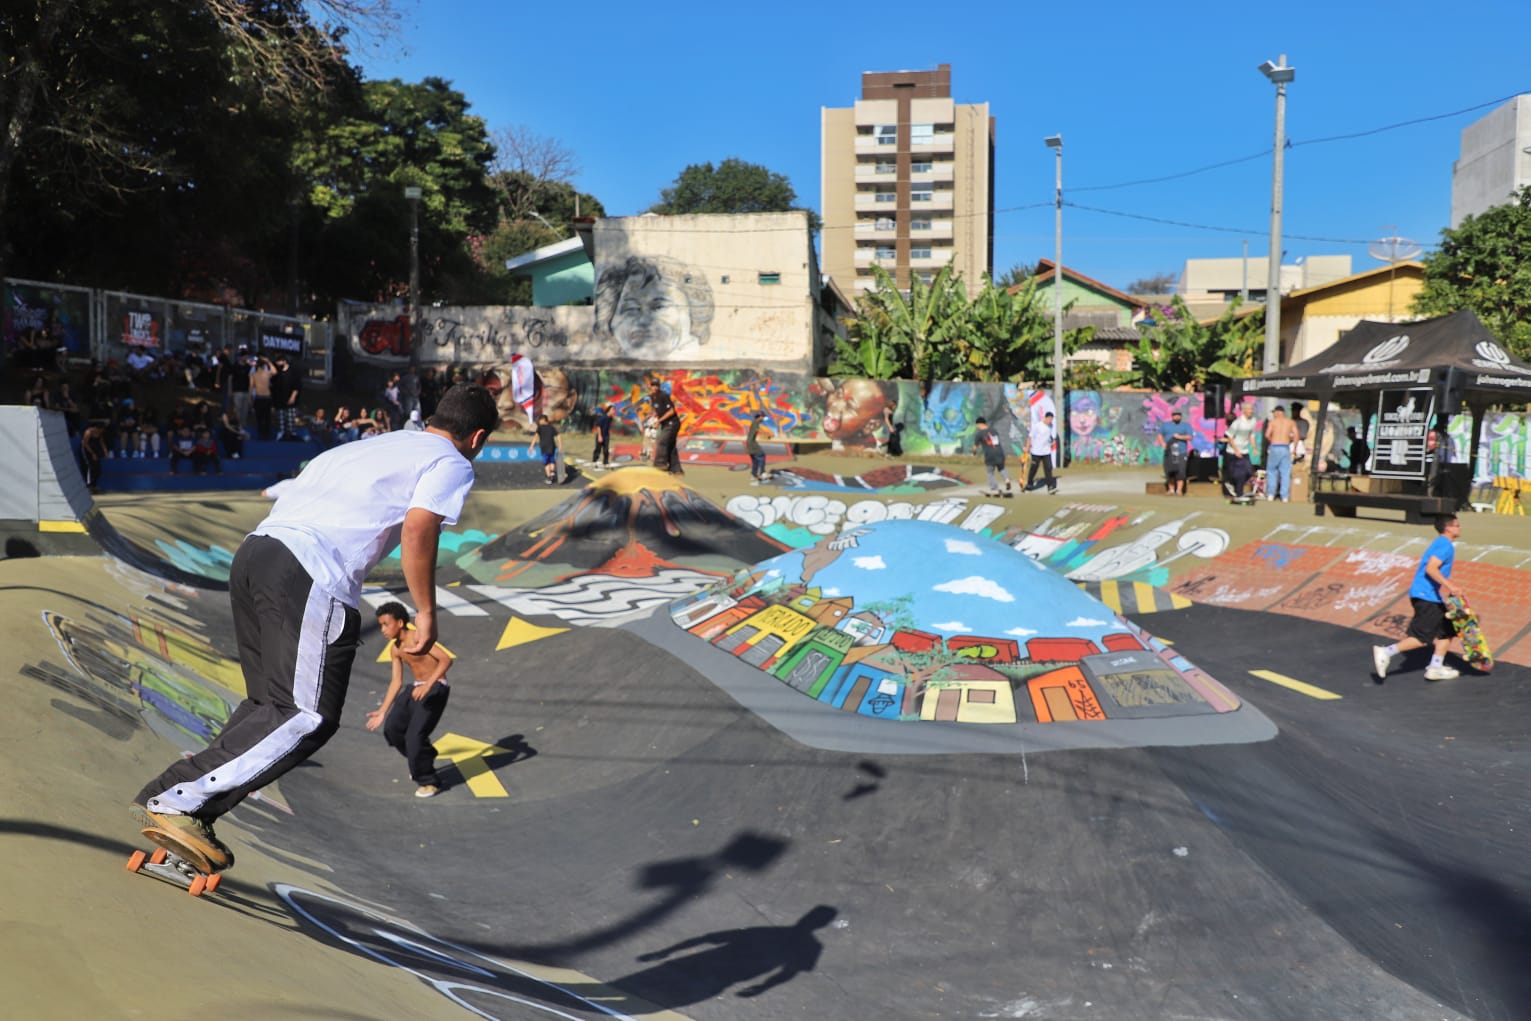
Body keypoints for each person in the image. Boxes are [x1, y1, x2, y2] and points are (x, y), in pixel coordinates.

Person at [130, 384, 499, 871]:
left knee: (266, 706)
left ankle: (190, 811)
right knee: (306, 714)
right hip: (308, 573)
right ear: (475, 437)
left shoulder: (370, 445)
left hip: (255, 553)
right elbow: (419, 527)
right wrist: (425, 612)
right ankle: (178, 798)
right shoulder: (451, 460)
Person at [364, 601, 453, 798]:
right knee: (392, 729)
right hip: (416, 688)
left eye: (386, 624)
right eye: (380, 625)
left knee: (414, 737)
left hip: (436, 687)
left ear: (401, 622)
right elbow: (396, 682)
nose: (383, 630)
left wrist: (429, 685)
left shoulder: (418, 638)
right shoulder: (395, 649)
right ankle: (423, 756)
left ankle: (429, 781)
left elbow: (446, 660)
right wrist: (382, 711)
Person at [1373, 515, 1465, 682]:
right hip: (1426, 595)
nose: (1459, 528)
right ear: (1448, 528)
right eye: (1457, 525)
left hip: (1430, 596)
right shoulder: (1445, 545)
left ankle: (1435, 668)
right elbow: (1431, 569)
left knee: (1447, 631)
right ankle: (1386, 652)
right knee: (1422, 638)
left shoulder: (1441, 543)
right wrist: (1451, 586)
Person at [1263, 405, 1298, 502]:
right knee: (1285, 472)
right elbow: (1296, 435)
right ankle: (1285, 496)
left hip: (1275, 446)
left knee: (1271, 471)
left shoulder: (1273, 422)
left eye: (1274, 412)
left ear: (1278, 412)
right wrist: (1294, 448)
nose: (1274, 414)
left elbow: (1267, 435)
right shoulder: (1291, 422)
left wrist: (1272, 441)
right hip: (1285, 447)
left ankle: (1271, 494)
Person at [972, 416, 1013, 497]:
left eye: (977, 425)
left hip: (990, 454)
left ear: (979, 424)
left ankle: (994, 489)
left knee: (990, 472)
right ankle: (1007, 479)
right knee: (1001, 468)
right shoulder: (994, 431)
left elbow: (975, 447)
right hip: (999, 452)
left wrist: (974, 452)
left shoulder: (979, 434)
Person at [1225, 402, 1259, 497]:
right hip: (1232, 451)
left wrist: (1254, 448)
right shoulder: (1238, 422)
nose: (1251, 411)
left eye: (1252, 409)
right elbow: (1230, 437)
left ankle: (1235, 488)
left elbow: (1252, 435)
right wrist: (1236, 450)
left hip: (1244, 451)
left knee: (1249, 472)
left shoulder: (1253, 421)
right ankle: (1238, 492)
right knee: (1238, 474)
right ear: (1243, 410)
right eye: (1249, 409)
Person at [649, 379, 681, 473]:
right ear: (650, 386)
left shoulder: (663, 396)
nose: (655, 387)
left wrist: (659, 421)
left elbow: (671, 411)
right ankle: (676, 469)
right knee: (670, 446)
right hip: (665, 423)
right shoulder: (652, 397)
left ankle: (660, 464)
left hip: (672, 423)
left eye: (656, 385)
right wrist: (653, 415)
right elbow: (657, 409)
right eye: (653, 385)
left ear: (659, 387)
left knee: (662, 441)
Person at [1160, 408, 1192, 496]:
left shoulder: (1186, 426)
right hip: (1169, 452)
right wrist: (1162, 443)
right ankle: (1171, 490)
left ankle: (1179, 490)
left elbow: (1190, 437)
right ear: (1172, 416)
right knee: (1169, 471)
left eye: (1178, 415)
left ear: (1181, 416)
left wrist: (1179, 437)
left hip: (1181, 452)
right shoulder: (1165, 425)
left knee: (1180, 471)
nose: (1177, 416)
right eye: (1175, 415)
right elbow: (1160, 435)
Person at [1026, 411, 1058, 494]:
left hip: (1046, 451)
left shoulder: (1051, 426)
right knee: (1034, 468)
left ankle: (1050, 487)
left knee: (1048, 468)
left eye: (1052, 419)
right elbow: (1030, 437)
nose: (1050, 421)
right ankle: (1029, 484)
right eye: (1049, 419)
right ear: (1046, 418)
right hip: (1036, 451)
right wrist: (1027, 447)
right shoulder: (1038, 426)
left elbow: (1050, 437)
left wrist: (1052, 442)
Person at [529, 412, 562, 485]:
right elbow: (558, 435)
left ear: (544, 420)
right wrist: (560, 445)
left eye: (540, 420)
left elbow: (535, 437)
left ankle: (549, 478)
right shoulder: (552, 427)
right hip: (552, 446)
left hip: (544, 447)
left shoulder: (540, 428)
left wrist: (532, 446)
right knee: (552, 460)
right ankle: (553, 472)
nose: (539, 422)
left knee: (546, 463)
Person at [81, 420, 109, 493]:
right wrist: (92, 453)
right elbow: (85, 444)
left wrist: (105, 452)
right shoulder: (88, 432)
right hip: (87, 450)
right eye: (102, 429)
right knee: (90, 467)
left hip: (95, 450)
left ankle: (94, 485)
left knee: (97, 469)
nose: (103, 431)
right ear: (98, 428)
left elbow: (101, 443)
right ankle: (89, 486)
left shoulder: (99, 433)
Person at [746, 410, 772, 484]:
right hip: (752, 443)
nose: (763, 418)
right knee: (761, 455)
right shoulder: (755, 423)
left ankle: (753, 475)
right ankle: (762, 473)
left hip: (749, 443)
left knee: (755, 461)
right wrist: (767, 434)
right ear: (759, 416)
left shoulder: (754, 423)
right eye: (763, 417)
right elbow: (758, 430)